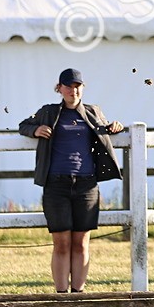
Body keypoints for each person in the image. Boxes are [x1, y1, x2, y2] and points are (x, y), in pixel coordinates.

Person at [18, 68, 123, 293]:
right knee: (62, 243)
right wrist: (35, 130)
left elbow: (107, 128)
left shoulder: (93, 111)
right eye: (68, 86)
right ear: (59, 88)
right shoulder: (48, 112)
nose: (73, 90)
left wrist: (116, 126)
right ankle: (61, 294)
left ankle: (78, 293)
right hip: (56, 184)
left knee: (82, 242)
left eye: (77, 86)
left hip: (86, 184)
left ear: (82, 88)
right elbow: (23, 126)